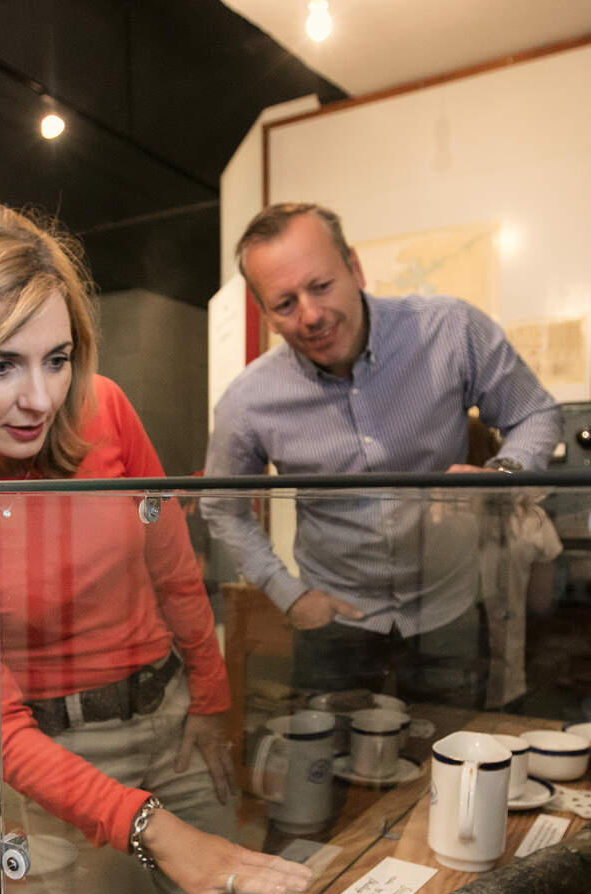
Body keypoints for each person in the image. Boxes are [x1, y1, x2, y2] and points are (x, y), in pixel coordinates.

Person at [0, 203, 312, 894]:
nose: (41, 399)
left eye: (57, 358)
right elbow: (0, 733)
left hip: (173, 718)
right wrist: (148, 825)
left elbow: (173, 568)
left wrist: (210, 697)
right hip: (64, 755)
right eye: (0, 365)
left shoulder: (105, 412)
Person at [202, 202, 563, 707]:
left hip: (449, 610)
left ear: (354, 268)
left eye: (321, 286)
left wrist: (501, 475)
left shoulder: (452, 331)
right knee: (325, 778)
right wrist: (289, 594)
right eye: (285, 303)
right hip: (334, 623)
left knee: (450, 768)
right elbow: (223, 507)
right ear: (266, 315)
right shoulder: (248, 400)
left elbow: (535, 414)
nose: (310, 315)